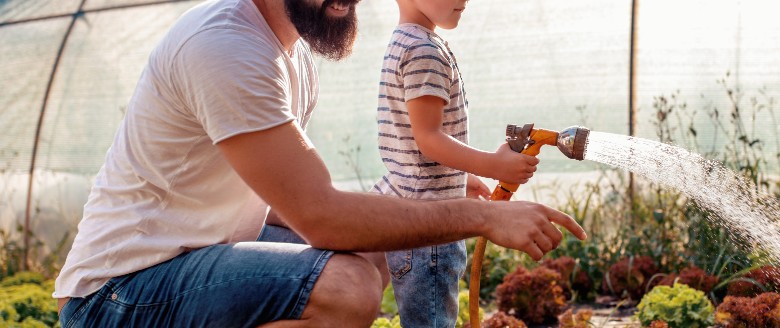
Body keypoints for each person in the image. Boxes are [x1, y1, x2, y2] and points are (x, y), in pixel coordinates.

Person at [51, 0, 586, 327]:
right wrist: (485, 217)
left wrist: (430, 198)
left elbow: (290, 202)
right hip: (117, 297)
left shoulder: (293, 56)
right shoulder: (225, 47)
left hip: (195, 260)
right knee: (346, 288)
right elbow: (319, 215)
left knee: (370, 256)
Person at [369, 0, 538, 326]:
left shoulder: (406, 40)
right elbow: (429, 139)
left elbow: (413, 151)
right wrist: (493, 166)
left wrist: (458, 179)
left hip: (414, 214)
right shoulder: (424, 51)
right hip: (430, 232)